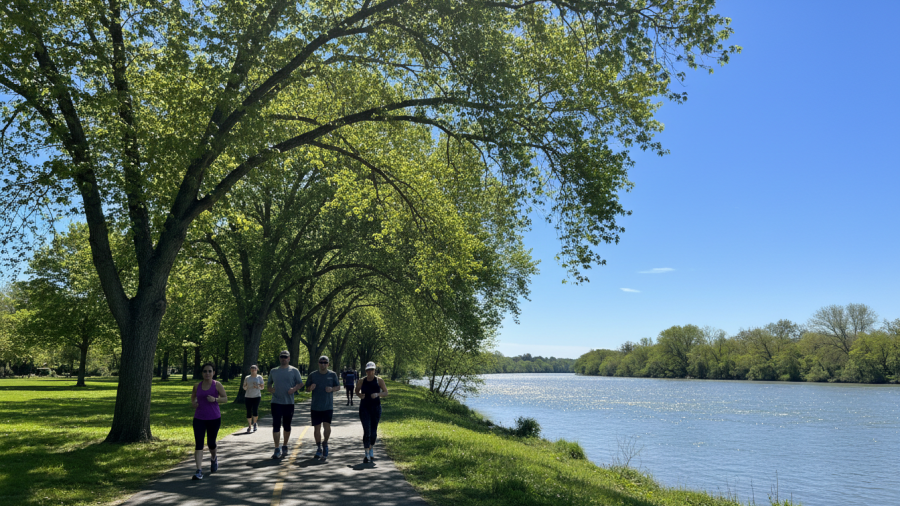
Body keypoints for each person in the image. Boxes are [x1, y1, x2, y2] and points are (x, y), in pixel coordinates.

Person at [190, 362, 228, 480]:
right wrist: (194, 403)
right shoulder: (197, 385)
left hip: (214, 418)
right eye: (205, 371)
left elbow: (225, 399)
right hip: (199, 418)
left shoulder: (217, 385)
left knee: (211, 443)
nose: (207, 373)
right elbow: (193, 397)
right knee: (199, 444)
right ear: (202, 373)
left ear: (214, 373)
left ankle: (213, 458)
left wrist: (215, 399)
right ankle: (199, 470)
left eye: (210, 371)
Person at [267, 350, 303, 459]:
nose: (283, 358)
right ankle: (277, 448)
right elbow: (269, 383)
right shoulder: (273, 371)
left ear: (289, 358)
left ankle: (285, 445)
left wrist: (294, 389)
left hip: (288, 403)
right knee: (276, 425)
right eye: (282, 356)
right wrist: (270, 388)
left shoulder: (294, 370)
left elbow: (300, 383)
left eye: (285, 357)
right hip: (276, 402)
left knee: (287, 426)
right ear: (279, 358)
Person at [304, 355, 341, 459]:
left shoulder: (332, 374)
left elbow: (338, 387)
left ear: (328, 364)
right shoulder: (313, 375)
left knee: (327, 427)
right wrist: (310, 388)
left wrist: (332, 389)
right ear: (318, 363)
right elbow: (306, 388)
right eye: (321, 362)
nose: (323, 364)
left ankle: (325, 443)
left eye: (325, 362)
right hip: (315, 406)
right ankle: (319, 448)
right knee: (317, 428)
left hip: (328, 406)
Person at [355, 361, 388, 463]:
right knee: (367, 431)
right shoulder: (361, 381)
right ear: (366, 371)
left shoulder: (379, 380)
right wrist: (360, 395)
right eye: (368, 370)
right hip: (364, 408)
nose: (370, 372)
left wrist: (378, 394)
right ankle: (366, 454)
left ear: (374, 370)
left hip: (376, 408)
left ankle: (371, 448)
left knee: (373, 433)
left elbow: (386, 392)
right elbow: (356, 391)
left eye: (372, 370)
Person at [243, 364, 264, 432]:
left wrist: (257, 386)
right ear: (250, 370)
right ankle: (249, 426)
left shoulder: (259, 377)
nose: (253, 370)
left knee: (255, 410)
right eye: (252, 369)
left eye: (254, 369)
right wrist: (245, 387)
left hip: (257, 396)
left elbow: (262, 387)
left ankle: (254, 423)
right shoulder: (247, 378)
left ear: (257, 369)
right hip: (248, 396)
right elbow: (244, 387)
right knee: (248, 411)